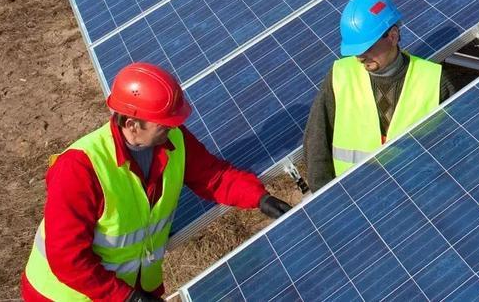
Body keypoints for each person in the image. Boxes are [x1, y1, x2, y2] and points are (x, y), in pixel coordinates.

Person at [22, 63, 290, 302]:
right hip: (67, 295)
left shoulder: (173, 141)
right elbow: (68, 260)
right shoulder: (80, 169)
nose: (173, 128)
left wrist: (260, 198)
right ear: (132, 124)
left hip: (131, 288)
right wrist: (128, 298)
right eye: (164, 124)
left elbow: (215, 177)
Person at [304, 0, 453, 190]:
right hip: (351, 199)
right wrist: (325, 200)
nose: (359, 57)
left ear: (392, 36)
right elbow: (316, 144)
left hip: (415, 199)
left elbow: (454, 147)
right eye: (355, 50)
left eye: (367, 47)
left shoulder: (433, 80)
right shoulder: (340, 76)